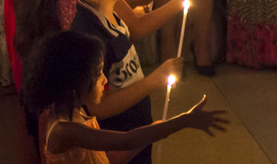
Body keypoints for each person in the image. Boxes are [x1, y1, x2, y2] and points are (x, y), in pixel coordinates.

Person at [68, 0, 209, 164]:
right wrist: (154, 80)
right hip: (118, 138)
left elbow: (131, 34)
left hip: (136, 129)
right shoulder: (88, 35)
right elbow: (98, 106)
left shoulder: (111, 8)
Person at [23, 31, 227, 164]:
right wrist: (185, 120)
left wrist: (153, 131)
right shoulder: (64, 130)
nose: (104, 80)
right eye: (97, 74)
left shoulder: (81, 115)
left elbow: (108, 158)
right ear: (76, 82)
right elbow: (126, 140)